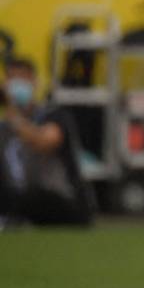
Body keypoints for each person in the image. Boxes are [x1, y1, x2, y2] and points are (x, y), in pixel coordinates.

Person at [0, 57, 93, 228]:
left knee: (33, 197)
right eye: (12, 79)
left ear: (34, 82)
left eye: (22, 78)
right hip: (19, 199)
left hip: (59, 202)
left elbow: (45, 142)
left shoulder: (53, 115)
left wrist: (14, 116)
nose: (16, 85)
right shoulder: (3, 127)